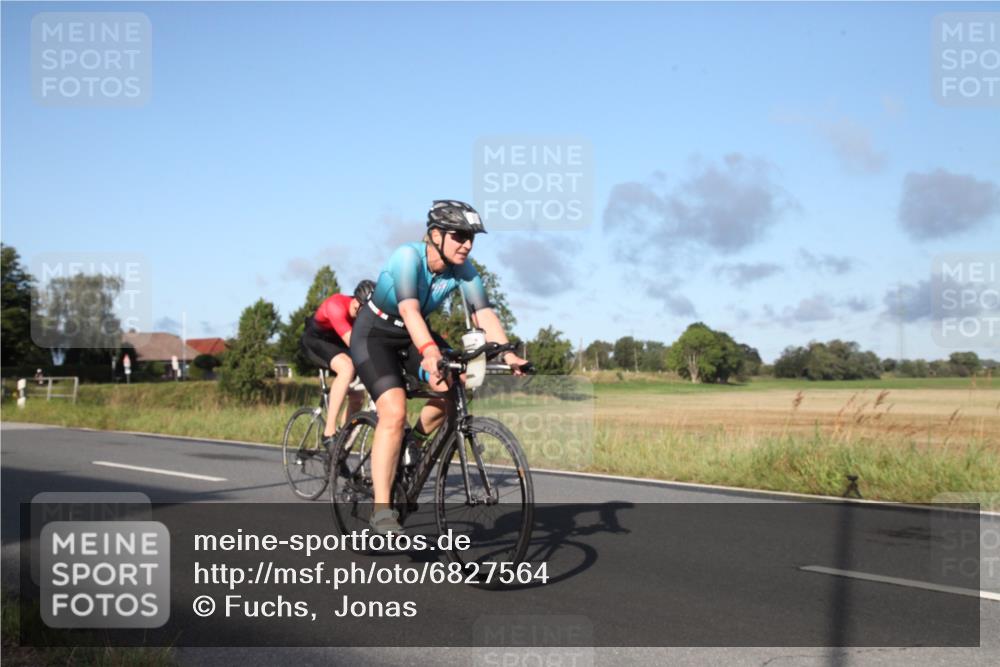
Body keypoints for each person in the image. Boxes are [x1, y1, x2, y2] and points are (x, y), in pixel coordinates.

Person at [350, 200, 528, 535]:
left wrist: (508, 354)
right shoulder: (407, 257)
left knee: (457, 384)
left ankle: (415, 442)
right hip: (375, 334)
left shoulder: (464, 269)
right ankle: (382, 511)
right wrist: (430, 350)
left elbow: (483, 313)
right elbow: (410, 310)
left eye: (472, 238)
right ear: (435, 235)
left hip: (410, 336)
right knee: (394, 410)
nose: (467, 244)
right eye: (460, 236)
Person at [300, 280, 375, 447]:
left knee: (357, 397)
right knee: (347, 367)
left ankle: (341, 442)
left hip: (336, 343)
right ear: (356, 304)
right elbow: (354, 344)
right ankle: (329, 432)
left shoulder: (363, 313)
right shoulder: (336, 305)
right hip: (314, 341)